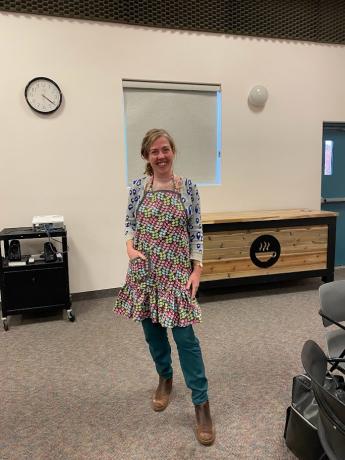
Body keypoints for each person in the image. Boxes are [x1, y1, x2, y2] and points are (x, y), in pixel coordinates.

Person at [114, 128, 215, 446]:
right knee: (152, 332)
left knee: (186, 339)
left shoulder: (188, 189)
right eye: (154, 151)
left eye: (165, 149)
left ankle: (201, 404)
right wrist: (130, 249)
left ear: (173, 151)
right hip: (145, 273)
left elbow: (196, 229)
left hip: (176, 274)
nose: (161, 155)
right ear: (146, 156)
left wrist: (197, 268)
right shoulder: (137, 188)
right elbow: (129, 222)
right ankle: (165, 377)